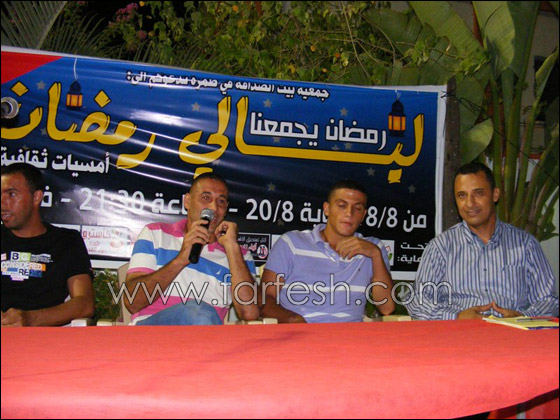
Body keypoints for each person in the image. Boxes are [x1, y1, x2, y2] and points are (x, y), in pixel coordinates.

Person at [405, 162, 559, 320]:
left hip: (512, 332)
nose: (470, 203)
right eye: (462, 195)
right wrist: (456, 316)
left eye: (478, 193)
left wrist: (523, 317)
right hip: (458, 333)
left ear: (495, 194)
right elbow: (418, 300)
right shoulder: (441, 247)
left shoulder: (525, 244)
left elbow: (549, 300)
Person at [124, 172, 259, 325]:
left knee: (199, 313)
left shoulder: (240, 256)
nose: (213, 208)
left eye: (221, 201)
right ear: (187, 201)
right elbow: (132, 302)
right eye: (206, 198)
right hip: (152, 332)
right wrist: (181, 259)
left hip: (204, 332)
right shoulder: (155, 234)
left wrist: (232, 248)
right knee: (196, 310)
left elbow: (249, 313)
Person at [260, 179, 395, 323]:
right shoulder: (291, 243)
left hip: (352, 333)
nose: (349, 213)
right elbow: (264, 300)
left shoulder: (373, 247)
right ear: (327, 209)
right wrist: (293, 320)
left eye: (357, 208)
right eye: (342, 205)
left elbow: (387, 308)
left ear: (363, 215)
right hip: (302, 331)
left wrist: (375, 254)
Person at [1, 163, 95, 326]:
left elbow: (84, 304)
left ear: (36, 197)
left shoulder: (66, 241)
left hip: (46, 335)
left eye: (11, 194)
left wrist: (29, 319)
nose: (2, 203)